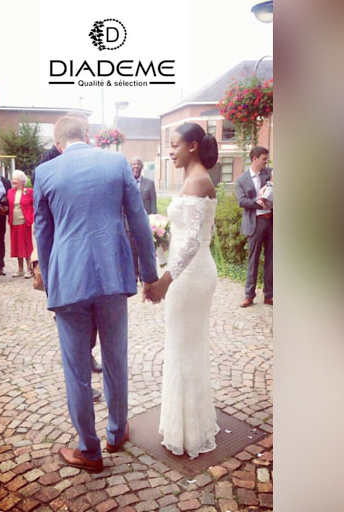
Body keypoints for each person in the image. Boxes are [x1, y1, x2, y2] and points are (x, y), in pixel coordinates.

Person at [34, 116, 158, 472]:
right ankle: (116, 433)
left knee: (76, 369)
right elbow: (139, 220)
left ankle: (89, 450)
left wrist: (52, 285)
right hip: (112, 277)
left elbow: (43, 234)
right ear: (87, 137)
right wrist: (149, 274)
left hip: (69, 283)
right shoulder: (116, 162)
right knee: (115, 359)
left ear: (58, 144)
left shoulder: (45, 173)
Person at [145, 122, 219, 459]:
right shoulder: (193, 179)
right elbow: (186, 234)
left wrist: (165, 280)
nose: (170, 151)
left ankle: (189, 432)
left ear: (192, 146)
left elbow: (191, 243)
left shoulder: (199, 180)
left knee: (184, 349)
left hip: (190, 277)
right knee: (183, 347)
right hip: (187, 273)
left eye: (174, 145)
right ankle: (188, 424)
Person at [33, 110, 104, 402]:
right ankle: (81, 382)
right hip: (64, 259)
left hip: (86, 255)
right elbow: (43, 224)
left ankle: (88, 358)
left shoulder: (89, 160)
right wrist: (48, 275)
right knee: (73, 325)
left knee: (91, 319)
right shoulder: (48, 165)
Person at [235, 146, 273, 307]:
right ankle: (249, 295)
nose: (266, 162)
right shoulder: (241, 180)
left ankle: (269, 295)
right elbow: (241, 201)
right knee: (253, 259)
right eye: (264, 159)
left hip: (271, 222)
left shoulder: (268, 173)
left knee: (272, 259)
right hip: (255, 223)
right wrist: (259, 204)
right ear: (255, 158)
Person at [127, 157, 157, 283]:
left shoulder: (149, 183)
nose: (135, 166)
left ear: (142, 167)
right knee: (132, 250)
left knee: (144, 250)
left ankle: (144, 275)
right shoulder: (127, 183)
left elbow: (153, 204)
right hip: (129, 224)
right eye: (133, 164)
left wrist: (154, 221)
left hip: (145, 223)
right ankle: (134, 275)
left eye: (138, 164)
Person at [7, 170, 34, 278]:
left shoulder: (29, 191)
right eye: (13, 179)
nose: (13, 181)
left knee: (26, 246)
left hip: (24, 222)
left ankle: (30, 269)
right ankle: (20, 269)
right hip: (13, 222)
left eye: (16, 179)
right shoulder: (10, 192)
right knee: (17, 246)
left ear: (22, 181)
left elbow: (36, 204)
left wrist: (32, 216)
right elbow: (9, 205)